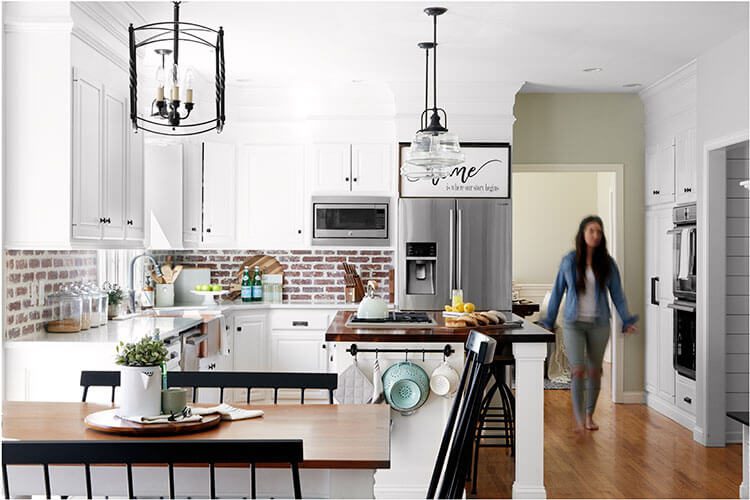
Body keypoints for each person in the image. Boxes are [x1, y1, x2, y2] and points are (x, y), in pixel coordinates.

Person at [540, 215, 638, 433]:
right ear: (582, 234)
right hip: (573, 323)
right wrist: (547, 321)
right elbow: (557, 292)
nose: (595, 235)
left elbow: (618, 296)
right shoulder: (569, 261)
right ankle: (578, 418)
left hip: (599, 324)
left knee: (595, 370)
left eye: (599, 232)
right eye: (591, 230)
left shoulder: (607, 264)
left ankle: (588, 415)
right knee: (578, 370)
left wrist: (627, 319)